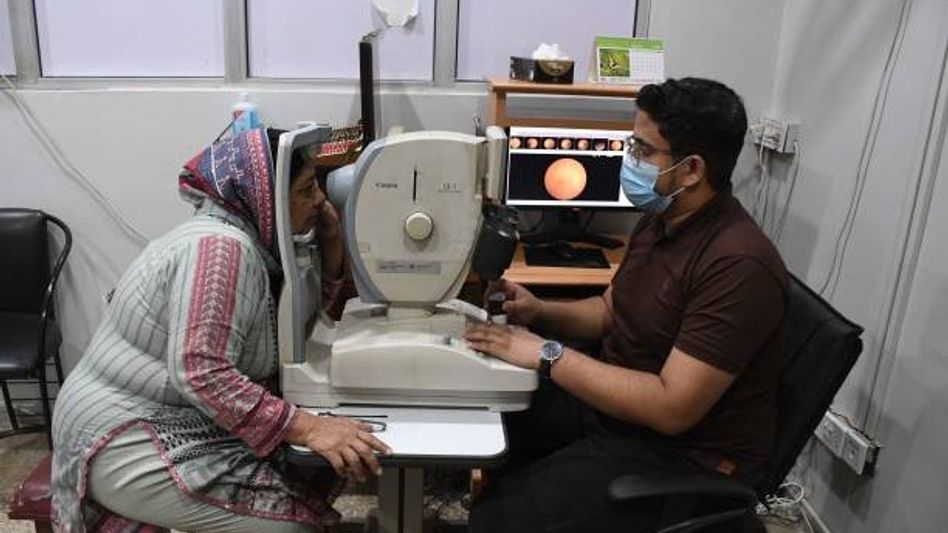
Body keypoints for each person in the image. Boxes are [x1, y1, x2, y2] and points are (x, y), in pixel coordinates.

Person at [464, 78, 789, 532]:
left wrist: (546, 354)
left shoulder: (737, 264)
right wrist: (538, 312)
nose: (629, 159)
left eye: (642, 150)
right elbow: (612, 312)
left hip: (679, 457)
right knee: (488, 418)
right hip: (617, 419)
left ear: (691, 169)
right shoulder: (662, 222)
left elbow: (670, 407)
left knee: (494, 522)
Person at [51, 127, 391, 533]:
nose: (319, 199)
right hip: (125, 433)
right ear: (266, 200)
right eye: (304, 190)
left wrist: (332, 241)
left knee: (313, 468)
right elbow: (201, 370)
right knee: (288, 526)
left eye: (316, 185)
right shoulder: (220, 249)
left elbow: (295, 324)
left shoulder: (256, 242)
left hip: (180, 417)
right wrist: (309, 426)